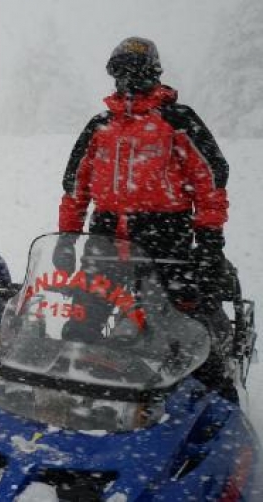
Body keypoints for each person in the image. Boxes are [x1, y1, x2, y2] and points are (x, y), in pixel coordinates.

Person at [54, 37, 234, 398]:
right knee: (80, 324)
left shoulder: (178, 121)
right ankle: (71, 394)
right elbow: (76, 186)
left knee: (179, 326)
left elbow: (211, 179)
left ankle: (216, 401)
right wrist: (67, 236)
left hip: (166, 235)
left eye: (136, 72)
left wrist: (210, 238)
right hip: (106, 236)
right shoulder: (100, 127)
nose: (128, 80)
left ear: (153, 73)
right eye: (121, 72)